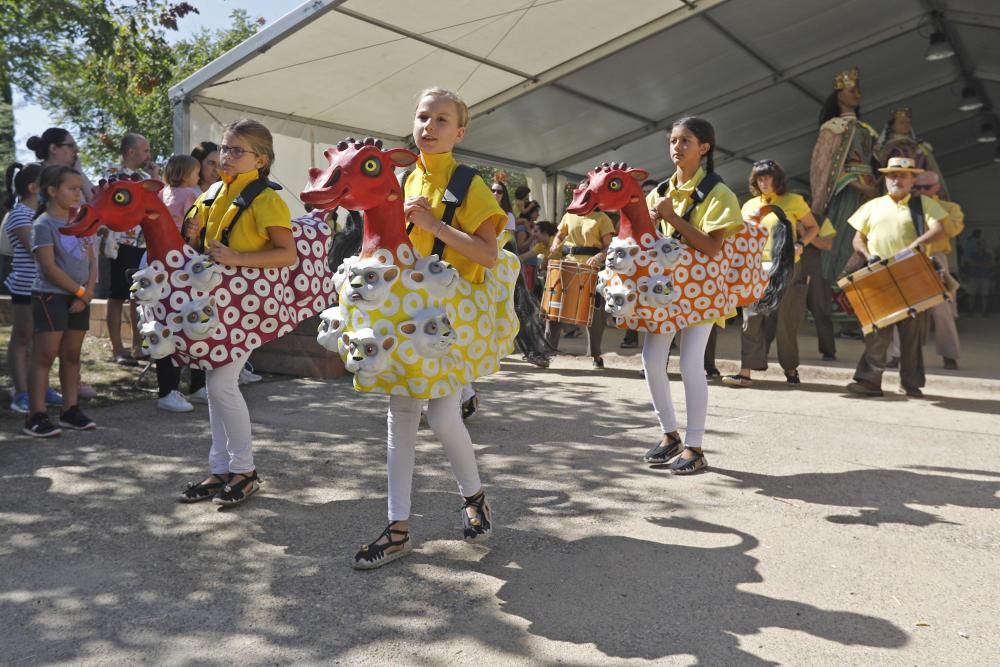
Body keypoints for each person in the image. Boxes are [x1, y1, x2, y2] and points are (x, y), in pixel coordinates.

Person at [352, 87, 509, 569]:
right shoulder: (402, 179)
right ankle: (399, 528)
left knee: (441, 418)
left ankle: (474, 496)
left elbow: (487, 254)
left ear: (460, 132)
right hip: (404, 309)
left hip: (449, 314)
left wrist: (436, 227)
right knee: (402, 413)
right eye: (423, 116)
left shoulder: (469, 183)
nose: (430, 126)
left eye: (442, 119)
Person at [176, 119, 296, 506]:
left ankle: (243, 470)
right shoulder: (212, 192)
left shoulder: (267, 199)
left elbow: (287, 253)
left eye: (235, 151)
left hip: (247, 304)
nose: (225, 157)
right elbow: (197, 244)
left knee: (221, 384)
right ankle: (222, 469)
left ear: (260, 159)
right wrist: (191, 234)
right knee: (216, 384)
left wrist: (237, 257)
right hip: (215, 299)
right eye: (224, 150)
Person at [642, 117, 744, 473]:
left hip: (703, 292)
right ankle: (670, 435)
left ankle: (696, 448)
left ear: (704, 147)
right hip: (666, 290)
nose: (676, 147)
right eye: (673, 140)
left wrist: (673, 217)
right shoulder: (658, 192)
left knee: (690, 365)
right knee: (652, 360)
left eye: (685, 140)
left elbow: (714, 248)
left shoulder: (719, 193)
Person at [846, 157, 947, 398]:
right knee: (877, 331)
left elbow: (939, 229)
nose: (896, 179)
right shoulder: (872, 205)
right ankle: (869, 381)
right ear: (885, 178)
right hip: (879, 274)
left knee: (912, 334)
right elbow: (858, 238)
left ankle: (911, 383)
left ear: (913, 179)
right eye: (892, 175)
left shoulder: (923, 204)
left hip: (912, 273)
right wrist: (867, 255)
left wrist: (915, 246)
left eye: (902, 175)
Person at [724, 160, 819, 387]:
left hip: (786, 267)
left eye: (768, 177)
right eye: (760, 178)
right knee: (752, 318)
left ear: (777, 179)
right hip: (754, 267)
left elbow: (814, 227)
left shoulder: (794, 201)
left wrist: (801, 244)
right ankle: (745, 372)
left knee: (786, 321)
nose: (764, 182)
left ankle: (791, 369)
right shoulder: (748, 206)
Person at [24, 166, 98, 437]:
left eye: (80, 188)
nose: (79, 193)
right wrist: (80, 293)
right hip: (51, 296)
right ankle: (36, 414)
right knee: (44, 356)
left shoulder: (82, 220)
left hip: (80, 297)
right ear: (52, 191)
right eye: (72, 188)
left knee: (72, 354)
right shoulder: (44, 224)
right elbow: (48, 268)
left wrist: (87, 292)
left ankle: (70, 410)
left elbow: (92, 261)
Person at [4, 162, 64, 413]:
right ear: (32, 187)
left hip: (46, 288)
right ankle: (21, 393)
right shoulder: (19, 214)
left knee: (43, 342)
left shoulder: (43, 214)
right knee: (22, 339)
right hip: (26, 287)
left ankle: (41, 388)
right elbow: (37, 249)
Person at [152, 154, 204, 412]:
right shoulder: (191, 196)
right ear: (186, 174)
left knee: (165, 324)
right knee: (191, 323)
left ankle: (169, 388)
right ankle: (189, 385)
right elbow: (193, 231)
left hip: (160, 263)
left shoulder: (161, 194)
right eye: (195, 172)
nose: (199, 176)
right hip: (183, 263)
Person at [106, 133, 158, 366]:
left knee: (138, 296)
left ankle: (138, 346)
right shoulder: (112, 175)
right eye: (145, 151)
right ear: (131, 152)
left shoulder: (146, 177)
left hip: (142, 244)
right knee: (117, 296)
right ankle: (118, 348)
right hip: (120, 244)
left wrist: (155, 176)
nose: (149, 155)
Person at [545, 208, 613, 368]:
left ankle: (596, 354)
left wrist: (599, 257)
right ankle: (547, 352)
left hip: (592, 270)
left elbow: (609, 246)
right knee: (554, 310)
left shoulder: (602, 217)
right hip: (567, 266)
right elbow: (559, 236)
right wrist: (555, 245)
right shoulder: (569, 215)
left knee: (594, 315)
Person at [912, 170, 964, 369]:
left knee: (943, 310)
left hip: (936, 259)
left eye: (927, 187)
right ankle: (899, 354)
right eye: (918, 188)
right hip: (912, 258)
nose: (922, 191)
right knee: (904, 309)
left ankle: (949, 354)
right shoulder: (909, 206)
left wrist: (931, 206)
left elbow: (950, 230)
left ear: (937, 188)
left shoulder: (950, 208)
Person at [621, 178, 661, 350]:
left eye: (651, 191)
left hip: (660, 266)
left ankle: (665, 339)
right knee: (633, 299)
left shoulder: (664, 212)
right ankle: (631, 337)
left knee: (658, 301)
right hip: (636, 265)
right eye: (644, 192)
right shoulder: (631, 212)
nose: (647, 195)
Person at [802, 216, 838, 360]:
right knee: (777, 312)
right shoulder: (784, 215)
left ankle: (829, 351)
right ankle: (762, 351)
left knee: (821, 310)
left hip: (814, 272)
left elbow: (827, 245)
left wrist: (806, 236)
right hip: (790, 270)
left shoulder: (821, 220)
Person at [965, 235, 993, 316]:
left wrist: (977, 264)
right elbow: (970, 263)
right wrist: (983, 264)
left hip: (985, 277)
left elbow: (990, 265)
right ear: (977, 245)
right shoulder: (972, 254)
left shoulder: (988, 255)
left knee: (985, 295)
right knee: (971, 295)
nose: (982, 246)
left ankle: (984, 312)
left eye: (983, 244)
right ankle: (971, 311)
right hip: (973, 276)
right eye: (980, 244)